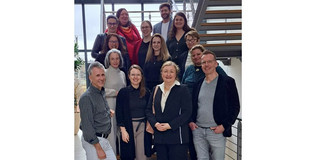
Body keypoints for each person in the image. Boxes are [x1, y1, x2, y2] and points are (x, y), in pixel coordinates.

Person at [189, 50, 240, 160]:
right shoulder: (197, 84)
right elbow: (193, 105)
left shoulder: (228, 82)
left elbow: (235, 106)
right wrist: (191, 121)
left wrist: (225, 126)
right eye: (203, 62)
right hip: (198, 131)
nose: (206, 65)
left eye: (209, 62)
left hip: (217, 131)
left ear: (216, 63)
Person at [146, 61, 192, 160]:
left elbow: (187, 112)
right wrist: (155, 124)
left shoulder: (183, 89)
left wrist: (170, 125)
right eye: (165, 71)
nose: (168, 74)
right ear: (161, 73)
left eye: (171, 71)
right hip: (160, 138)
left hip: (177, 138)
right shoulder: (156, 89)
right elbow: (149, 110)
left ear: (176, 74)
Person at [79, 62, 117, 160]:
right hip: (93, 142)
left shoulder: (101, 91)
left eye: (102, 74)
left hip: (104, 139)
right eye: (97, 75)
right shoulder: (86, 98)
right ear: (90, 78)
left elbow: (97, 110)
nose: (101, 78)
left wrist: (108, 113)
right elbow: (87, 127)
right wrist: (98, 148)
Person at [116, 65, 152, 160]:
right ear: (128, 76)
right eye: (133, 75)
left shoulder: (147, 92)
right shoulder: (123, 93)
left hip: (143, 128)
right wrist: (123, 131)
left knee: (142, 156)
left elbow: (150, 111)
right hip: (127, 127)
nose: (135, 77)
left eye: (138, 75)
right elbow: (119, 113)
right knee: (129, 155)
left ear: (141, 76)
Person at [104, 48, 127, 155]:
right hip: (110, 105)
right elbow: (100, 90)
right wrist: (114, 92)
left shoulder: (122, 73)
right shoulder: (104, 72)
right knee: (112, 133)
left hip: (122, 105)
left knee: (121, 130)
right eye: (112, 59)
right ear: (108, 60)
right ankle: (111, 156)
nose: (115, 61)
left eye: (117, 58)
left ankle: (123, 154)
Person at [166, 12, 192, 80]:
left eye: (181, 19)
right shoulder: (170, 36)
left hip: (185, 66)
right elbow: (167, 51)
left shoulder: (189, 34)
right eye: (176, 20)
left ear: (184, 21)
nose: (178, 21)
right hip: (172, 67)